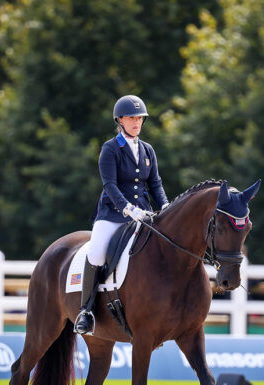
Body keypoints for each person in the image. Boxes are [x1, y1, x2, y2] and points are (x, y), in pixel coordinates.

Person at [74, 95, 170, 335]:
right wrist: (127, 208)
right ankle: (86, 311)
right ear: (120, 120)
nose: (136, 122)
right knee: (96, 253)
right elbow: (110, 185)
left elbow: (155, 184)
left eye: (139, 118)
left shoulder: (148, 150)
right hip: (113, 214)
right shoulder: (110, 148)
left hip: (144, 215)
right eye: (131, 118)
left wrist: (166, 207)